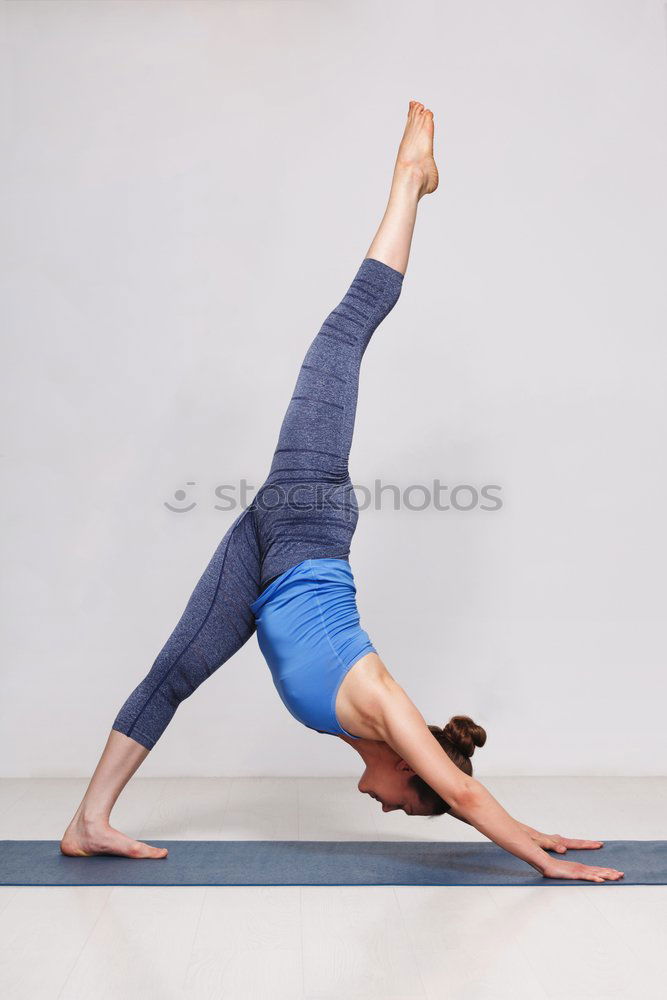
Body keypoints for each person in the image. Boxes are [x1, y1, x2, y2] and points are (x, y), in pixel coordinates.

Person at [61, 102, 623, 884]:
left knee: (173, 673)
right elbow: (459, 789)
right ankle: (407, 181)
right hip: (306, 517)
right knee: (344, 332)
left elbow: (458, 787)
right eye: (407, 804)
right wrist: (541, 861)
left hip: (267, 552)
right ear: (407, 762)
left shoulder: (359, 735)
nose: (391, 809)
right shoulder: (380, 703)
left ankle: (88, 820)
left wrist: (533, 828)